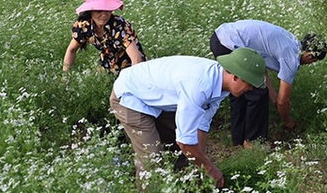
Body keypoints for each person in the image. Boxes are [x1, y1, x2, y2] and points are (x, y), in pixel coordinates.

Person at [109, 47, 267, 189]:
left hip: (158, 99)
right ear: (235, 77)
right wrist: (210, 168)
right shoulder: (199, 86)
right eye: (250, 84)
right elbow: (185, 141)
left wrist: (201, 165)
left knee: (182, 150)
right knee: (152, 159)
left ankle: (187, 185)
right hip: (131, 97)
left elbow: (201, 126)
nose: (250, 89)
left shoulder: (221, 85)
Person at [210, 19, 327, 148]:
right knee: (257, 94)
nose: (310, 64)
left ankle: (238, 141)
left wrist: (274, 98)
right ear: (310, 55)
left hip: (221, 37)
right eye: (313, 61)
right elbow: (283, 101)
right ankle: (253, 143)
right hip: (229, 43)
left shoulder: (291, 41)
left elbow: (259, 70)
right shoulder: (291, 58)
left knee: (239, 92)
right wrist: (287, 120)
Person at [63, 0, 146, 75]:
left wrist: (131, 83)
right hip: (107, 67)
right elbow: (71, 50)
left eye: (107, 10)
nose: (104, 15)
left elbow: (137, 59)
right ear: (90, 11)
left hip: (130, 69)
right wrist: (66, 77)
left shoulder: (120, 26)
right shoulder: (84, 25)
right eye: (99, 11)